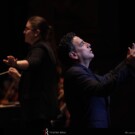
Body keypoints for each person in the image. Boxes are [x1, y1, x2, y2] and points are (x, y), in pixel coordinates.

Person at [58, 32, 135, 130]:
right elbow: (102, 87)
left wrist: (127, 62)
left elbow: (107, 78)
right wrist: (128, 64)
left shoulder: (85, 73)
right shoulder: (74, 73)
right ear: (74, 54)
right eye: (82, 44)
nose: (88, 44)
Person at [3, 16, 59, 135]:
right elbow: (37, 81)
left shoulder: (40, 48)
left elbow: (32, 62)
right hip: (39, 113)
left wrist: (15, 63)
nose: (24, 32)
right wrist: (18, 76)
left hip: (39, 113)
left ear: (36, 33)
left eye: (26, 29)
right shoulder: (40, 48)